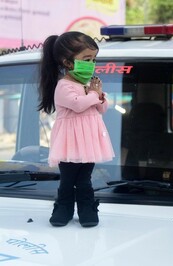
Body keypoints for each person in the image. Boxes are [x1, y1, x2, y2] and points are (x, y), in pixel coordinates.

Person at [38, 31, 115, 227]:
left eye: (94, 59)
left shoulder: (87, 85)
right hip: (69, 144)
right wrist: (94, 94)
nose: (92, 64)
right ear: (68, 62)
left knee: (84, 180)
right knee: (67, 180)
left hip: (88, 144)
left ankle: (87, 210)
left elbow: (102, 108)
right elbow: (78, 105)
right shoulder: (64, 86)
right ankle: (63, 209)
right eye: (86, 59)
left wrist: (99, 95)